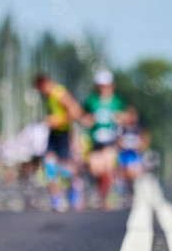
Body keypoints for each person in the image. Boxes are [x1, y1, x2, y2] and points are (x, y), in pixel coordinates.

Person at [34, 74, 84, 211]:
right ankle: (57, 198)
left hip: (63, 133)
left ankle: (76, 186)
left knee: (66, 166)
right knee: (48, 164)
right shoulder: (48, 97)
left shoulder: (59, 93)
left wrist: (57, 120)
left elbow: (76, 112)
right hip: (54, 133)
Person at [83, 70, 125, 210]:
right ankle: (101, 193)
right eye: (101, 85)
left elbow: (123, 117)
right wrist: (88, 121)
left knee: (108, 169)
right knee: (96, 170)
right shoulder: (91, 101)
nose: (104, 87)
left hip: (110, 142)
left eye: (106, 85)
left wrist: (119, 120)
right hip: (95, 142)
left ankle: (105, 198)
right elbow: (84, 116)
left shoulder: (117, 101)